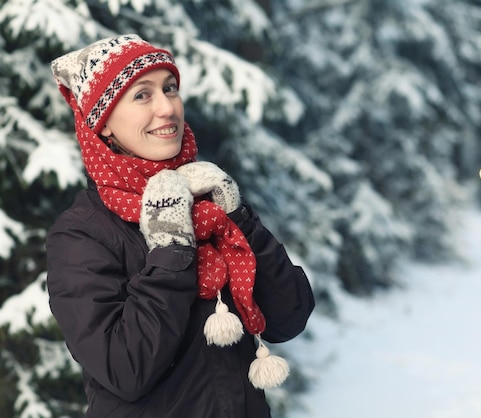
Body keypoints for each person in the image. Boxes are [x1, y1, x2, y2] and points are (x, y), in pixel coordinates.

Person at [46, 34, 315, 418]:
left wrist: (240, 220)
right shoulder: (81, 234)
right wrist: (171, 251)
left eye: (170, 88)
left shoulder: (208, 203)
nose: (166, 107)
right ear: (103, 124)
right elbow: (125, 369)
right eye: (142, 95)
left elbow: (290, 317)